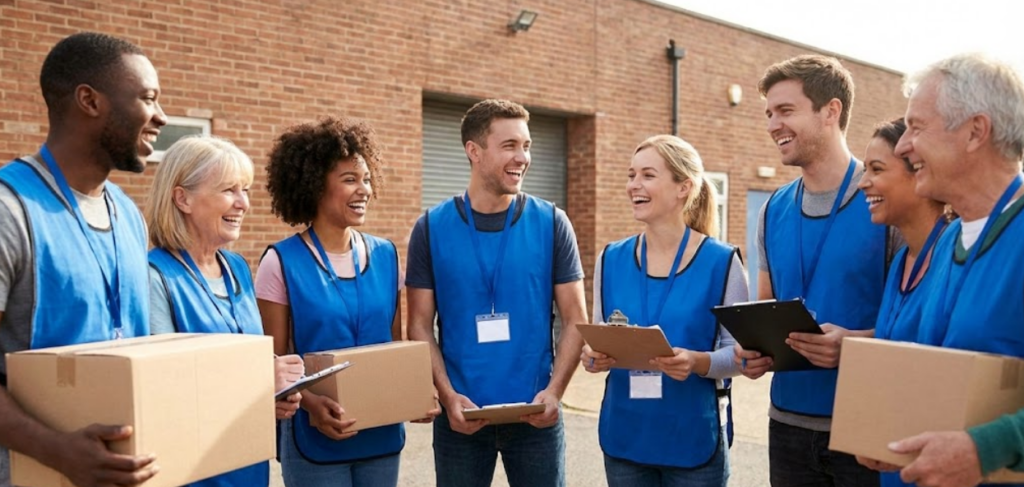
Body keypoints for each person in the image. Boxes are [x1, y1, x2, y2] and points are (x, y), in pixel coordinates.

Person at [0, 32, 166, 487]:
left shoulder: (129, 215)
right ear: (89, 101)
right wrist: (57, 450)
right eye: (147, 99)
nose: (161, 117)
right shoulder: (9, 210)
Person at [405, 99, 588, 487]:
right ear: (474, 151)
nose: (523, 157)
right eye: (510, 146)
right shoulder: (431, 227)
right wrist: (448, 395)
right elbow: (419, 325)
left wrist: (555, 393)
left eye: (527, 145)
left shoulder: (552, 222)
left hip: (536, 415)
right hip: (462, 418)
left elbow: (576, 319)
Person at [734, 54, 889, 486]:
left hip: (866, 429)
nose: (772, 124)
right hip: (786, 426)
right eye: (768, 113)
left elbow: (920, 324)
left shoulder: (885, 200)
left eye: (785, 110)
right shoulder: (772, 210)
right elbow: (764, 307)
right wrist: (754, 351)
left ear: (831, 112)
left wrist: (855, 345)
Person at [256, 116, 436, 487]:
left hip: (381, 435)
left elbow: (391, 348)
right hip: (315, 437)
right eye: (350, 179)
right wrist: (310, 403)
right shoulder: (280, 262)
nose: (364, 190)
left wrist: (412, 395)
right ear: (315, 184)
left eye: (367, 179)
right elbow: (272, 364)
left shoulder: (386, 256)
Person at [881, 53, 1024, 487]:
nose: (903, 146)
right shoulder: (947, 240)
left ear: (975, 132)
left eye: (916, 127)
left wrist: (985, 449)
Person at [579, 135, 746, 486]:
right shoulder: (611, 258)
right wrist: (593, 358)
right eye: (631, 175)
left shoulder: (722, 262)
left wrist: (698, 362)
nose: (633, 185)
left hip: (693, 440)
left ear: (683, 187)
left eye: (647, 175)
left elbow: (742, 357)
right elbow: (597, 340)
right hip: (625, 436)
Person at [144, 135, 305, 486]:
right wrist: (260, 385)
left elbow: (241, 366)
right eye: (229, 190)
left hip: (246, 466)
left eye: (245, 190)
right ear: (182, 198)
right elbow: (162, 392)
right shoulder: (154, 277)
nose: (243, 203)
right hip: (192, 474)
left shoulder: (237, 269)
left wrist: (271, 397)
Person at [845, 119, 950, 487]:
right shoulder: (902, 260)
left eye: (876, 170)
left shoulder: (953, 259)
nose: (862, 183)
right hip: (894, 468)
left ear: (918, 173)